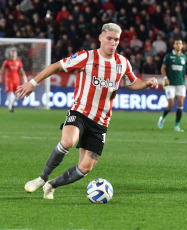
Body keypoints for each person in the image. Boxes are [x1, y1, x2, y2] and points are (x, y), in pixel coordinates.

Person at [16, 23, 158, 199]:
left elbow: (133, 82)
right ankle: (42, 178)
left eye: (116, 40)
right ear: (100, 38)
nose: (113, 43)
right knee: (67, 141)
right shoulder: (86, 57)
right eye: (109, 39)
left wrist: (146, 83)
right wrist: (33, 83)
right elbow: (57, 66)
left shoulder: (122, 63)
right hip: (80, 113)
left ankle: (52, 185)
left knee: (85, 167)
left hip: (101, 122)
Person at [157, 38, 187, 132]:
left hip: (181, 83)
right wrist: (165, 78)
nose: (178, 45)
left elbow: (183, 71)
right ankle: (162, 118)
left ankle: (176, 126)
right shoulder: (169, 56)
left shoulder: (184, 57)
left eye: (180, 44)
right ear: (174, 45)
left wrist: (183, 81)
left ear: (182, 46)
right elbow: (163, 68)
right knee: (170, 104)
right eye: (176, 44)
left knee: (181, 103)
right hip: (170, 83)